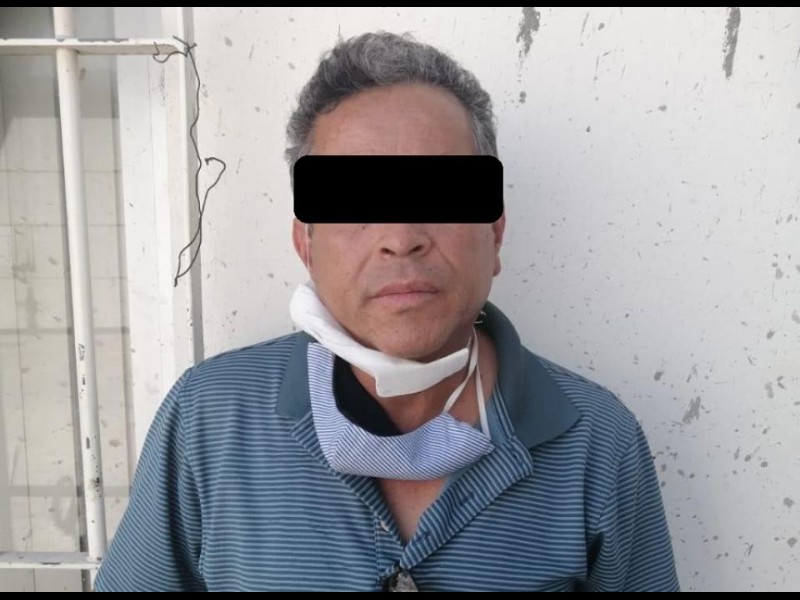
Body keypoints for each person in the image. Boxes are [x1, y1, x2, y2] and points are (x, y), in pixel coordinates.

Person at [94, 31, 679, 592]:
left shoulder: (596, 443)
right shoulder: (209, 422)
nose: (401, 239)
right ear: (306, 244)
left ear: (494, 233)